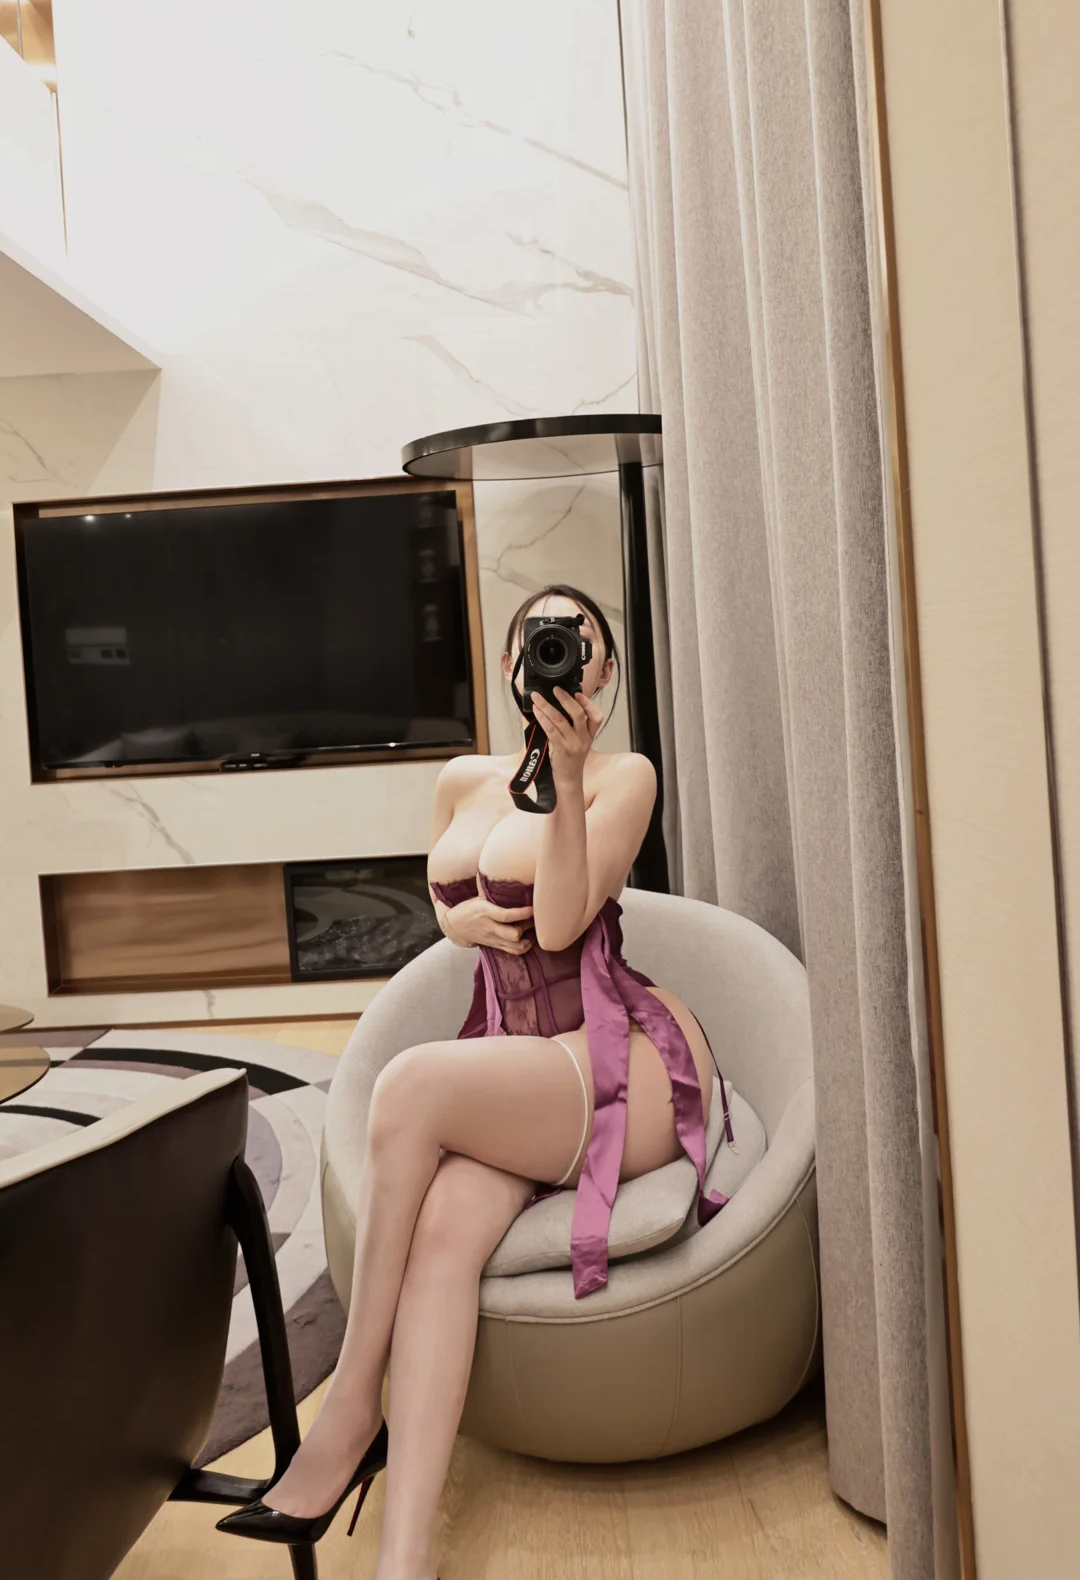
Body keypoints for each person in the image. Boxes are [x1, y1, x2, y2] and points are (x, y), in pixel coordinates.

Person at [220, 584, 727, 1580]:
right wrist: (454, 921)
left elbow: (564, 922)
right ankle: (404, 1561)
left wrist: (569, 777)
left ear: (604, 671)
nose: (558, 649)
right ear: (508, 662)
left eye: (578, 638)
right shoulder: (463, 778)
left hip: (615, 1062)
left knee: (407, 1086)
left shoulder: (623, 776)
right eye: (539, 635)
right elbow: (445, 890)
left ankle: (350, 1407)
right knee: (443, 1237)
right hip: (516, 1065)